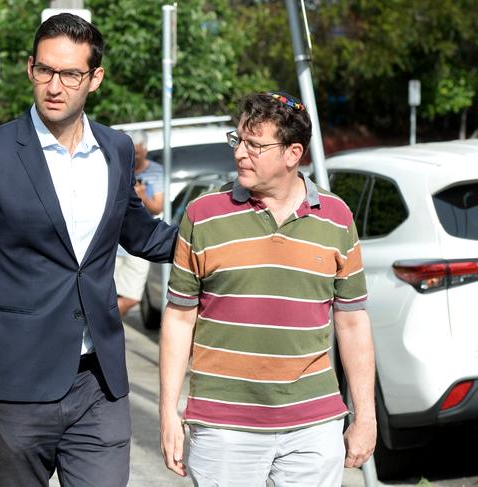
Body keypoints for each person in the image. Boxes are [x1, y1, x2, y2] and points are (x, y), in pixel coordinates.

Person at [0, 13, 176, 487]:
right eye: (45, 70)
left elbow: (141, 234)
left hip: (99, 384)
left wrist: (218, 240)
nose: (54, 85)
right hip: (16, 384)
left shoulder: (117, 149)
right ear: (30, 69)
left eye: (70, 74)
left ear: (95, 78)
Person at [159, 91, 376, 486]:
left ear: (293, 153)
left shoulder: (337, 217)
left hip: (314, 424)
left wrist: (365, 416)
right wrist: (168, 411)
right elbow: (178, 317)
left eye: (255, 145)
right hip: (224, 425)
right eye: (237, 140)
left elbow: (352, 323)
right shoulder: (203, 214)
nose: (240, 153)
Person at [114, 129, 164, 317]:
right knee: (104, 297)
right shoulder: (116, 167)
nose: (133, 156)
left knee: (132, 297)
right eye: (130, 151)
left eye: (137, 151)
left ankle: (97, 325)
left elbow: (157, 208)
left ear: (145, 149)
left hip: (140, 244)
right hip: (112, 243)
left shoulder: (156, 171)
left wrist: (143, 197)